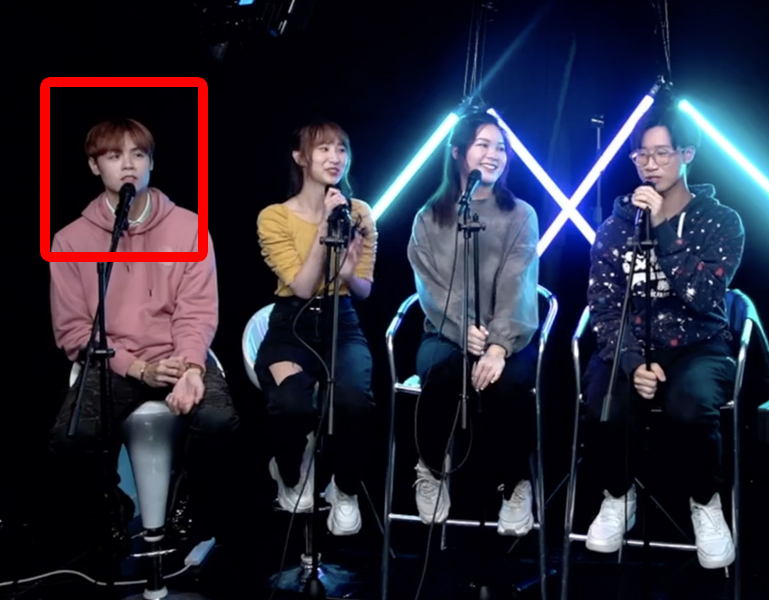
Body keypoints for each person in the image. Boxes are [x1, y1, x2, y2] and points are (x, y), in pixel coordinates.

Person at [49, 118, 240, 548]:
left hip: (177, 354)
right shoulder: (70, 240)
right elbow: (73, 330)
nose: (128, 165)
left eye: (138, 154)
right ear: (94, 166)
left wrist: (191, 367)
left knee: (218, 420)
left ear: (152, 163)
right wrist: (137, 368)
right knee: (70, 438)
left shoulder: (189, 227)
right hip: (114, 362)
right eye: (114, 156)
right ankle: (111, 504)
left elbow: (196, 311)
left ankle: (185, 496)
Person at [582, 99, 744, 569]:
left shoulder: (721, 221)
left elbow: (705, 296)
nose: (650, 164)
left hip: (698, 345)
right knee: (604, 401)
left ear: (687, 154)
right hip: (634, 345)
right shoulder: (614, 228)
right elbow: (605, 308)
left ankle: (705, 501)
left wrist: (663, 232)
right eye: (641, 155)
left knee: (688, 405)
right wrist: (633, 363)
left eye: (662, 153)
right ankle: (618, 495)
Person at [407, 111, 540, 536]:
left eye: (500, 147)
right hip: (445, 334)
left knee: (509, 384)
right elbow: (429, 286)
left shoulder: (521, 214)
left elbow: (518, 283)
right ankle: (431, 468)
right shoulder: (429, 217)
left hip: (506, 339)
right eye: (483, 144)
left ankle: (516, 484)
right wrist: (461, 328)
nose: (493, 154)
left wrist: (498, 345)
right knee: (442, 371)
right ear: (458, 152)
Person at [255, 120, 377, 536]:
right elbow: (304, 286)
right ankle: (288, 470)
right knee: (291, 404)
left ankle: (344, 488)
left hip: (343, 319)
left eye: (341, 149)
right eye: (323, 149)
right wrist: (324, 230)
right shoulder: (274, 216)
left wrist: (347, 272)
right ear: (300, 157)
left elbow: (364, 288)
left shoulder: (359, 213)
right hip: (291, 323)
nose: (335, 157)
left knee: (354, 400)